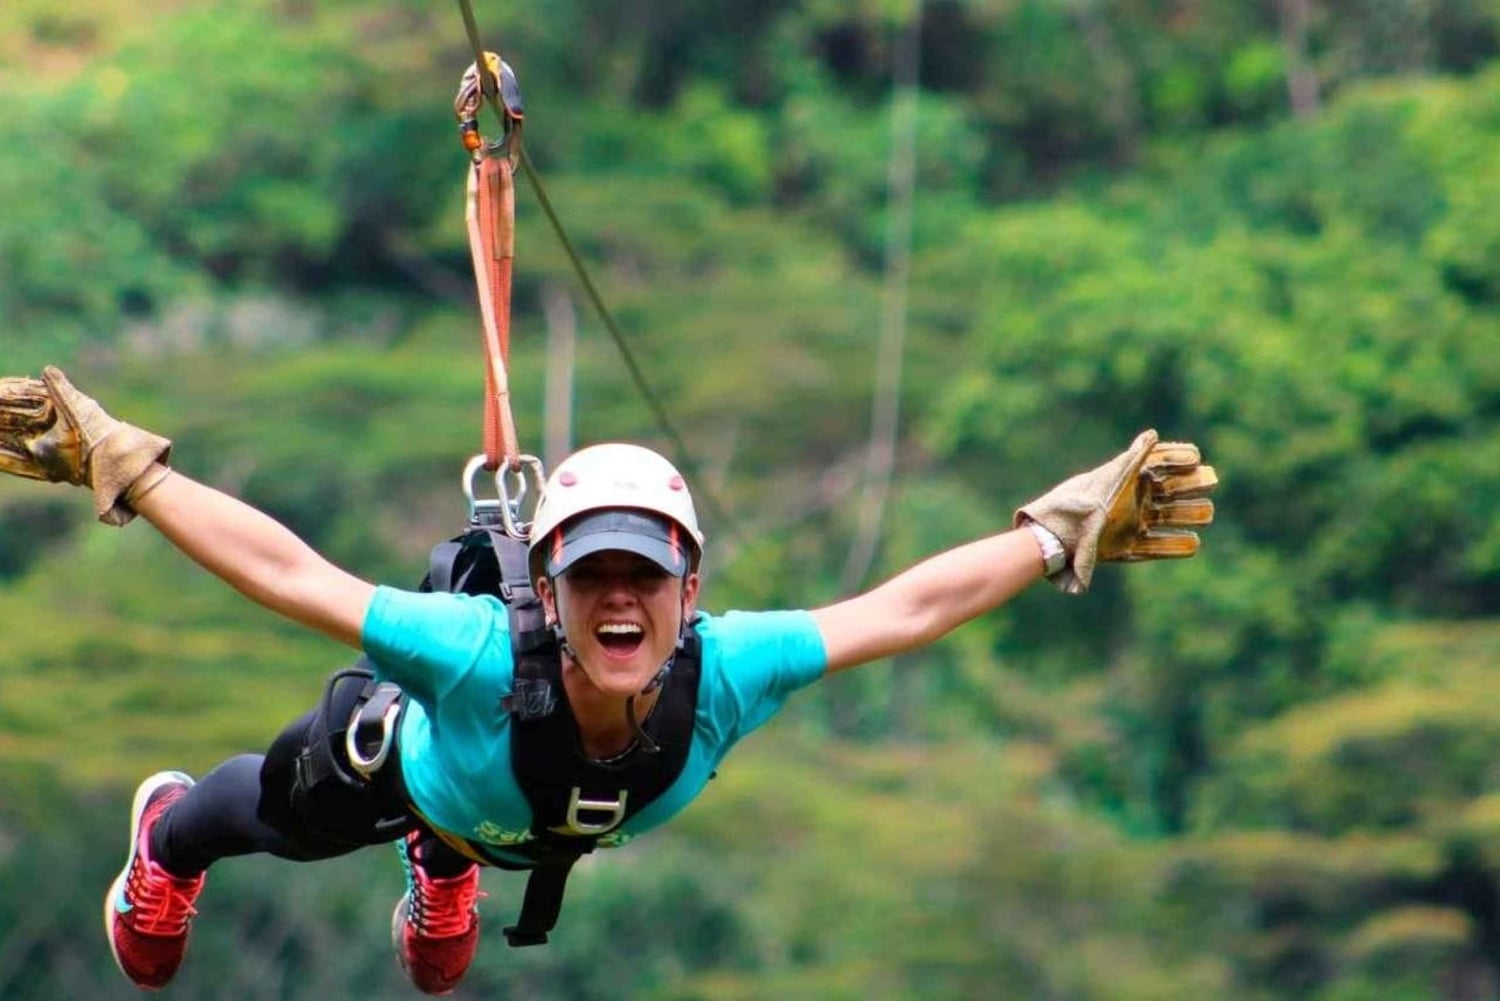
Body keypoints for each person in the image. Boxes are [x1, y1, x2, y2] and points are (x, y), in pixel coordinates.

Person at [0, 366, 1216, 995]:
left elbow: (903, 609)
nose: (620, 600)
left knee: (482, 848)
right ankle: (167, 839)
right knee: (291, 804)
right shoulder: (472, 650)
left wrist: (1055, 533)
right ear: (549, 589)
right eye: (593, 578)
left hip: (504, 812)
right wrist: (132, 469)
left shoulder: (729, 669)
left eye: (647, 576)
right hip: (426, 769)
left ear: (691, 588)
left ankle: (448, 864)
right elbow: (289, 572)